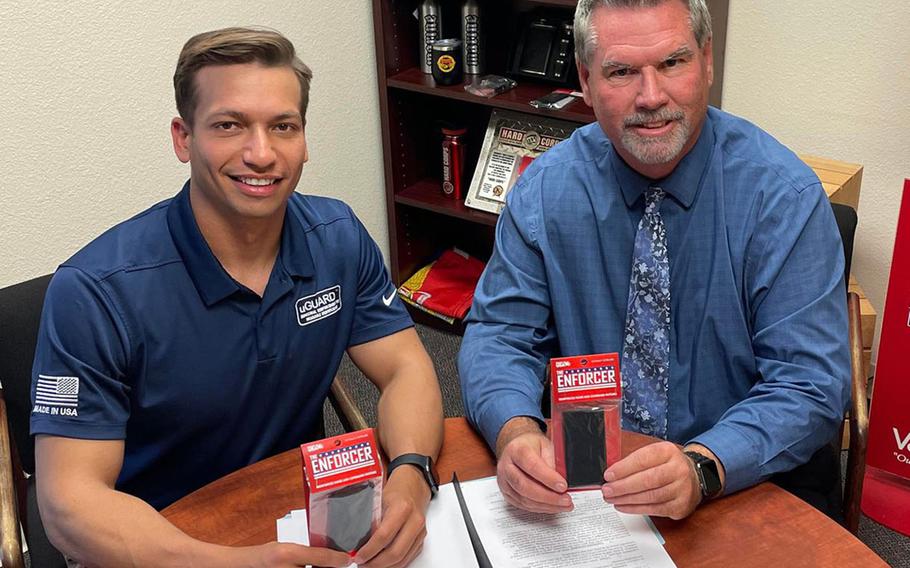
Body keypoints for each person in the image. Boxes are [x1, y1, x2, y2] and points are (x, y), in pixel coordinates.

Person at [31, 27, 443, 567]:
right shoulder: (93, 293)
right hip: (155, 542)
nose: (261, 153)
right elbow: (70, 504)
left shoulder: (338, 236)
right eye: (229, 125)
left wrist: (412, 475)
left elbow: (406, 370)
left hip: (294, 514)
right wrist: (234, 563)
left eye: (283, 126)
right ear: (183, 138)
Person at [458, 0, 849, 521]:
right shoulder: (545, 192)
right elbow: (500, 336)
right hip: (588, 479)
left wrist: (704, 466)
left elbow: (809, 383)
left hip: (746, 478)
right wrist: (517, 432)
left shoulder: (782, 197)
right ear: (586, 79)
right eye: (621, 71)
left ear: (707, 61)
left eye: (672, 63)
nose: (651, 97)